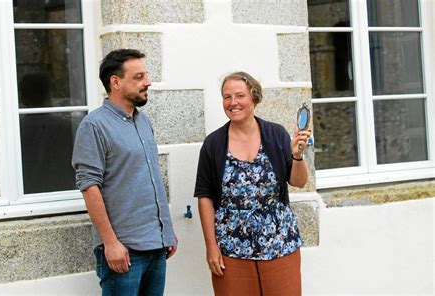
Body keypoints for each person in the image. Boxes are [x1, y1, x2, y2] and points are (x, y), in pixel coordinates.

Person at [194, 71, 311, 295]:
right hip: (231, 245)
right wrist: (211, 246)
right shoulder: (214, 144)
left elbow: (298, 181)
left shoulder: (275, 134)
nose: (233, 103)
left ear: (254, 98)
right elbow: (205, 196)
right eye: (227, 97)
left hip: (279, 241)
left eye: (239, 96)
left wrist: (297, 155)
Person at [72, 49, 177, 296]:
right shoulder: (93, 126)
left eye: (146, 76)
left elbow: (149, 179)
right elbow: (89, 186)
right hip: (124, 251)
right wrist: (110, 243)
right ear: (115, 82)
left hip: (156, 244)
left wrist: (167, 231)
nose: (147, 82)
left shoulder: (143, 122)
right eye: (138, 77)